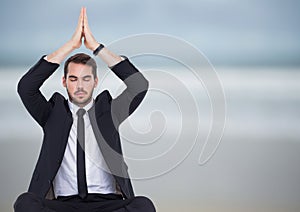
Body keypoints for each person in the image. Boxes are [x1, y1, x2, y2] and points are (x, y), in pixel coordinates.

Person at [14, 7, 155, 212]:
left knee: (143, 205)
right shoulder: (52, 114)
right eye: (73, 79)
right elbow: (26, 88)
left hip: (107, 203)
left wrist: (96, 48)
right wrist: (70, 46)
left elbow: (138, 85)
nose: (80, 86)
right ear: (64, 82)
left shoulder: (110, 112)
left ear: (95, 81)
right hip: (63, 204)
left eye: (86, 79)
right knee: (25, 203)